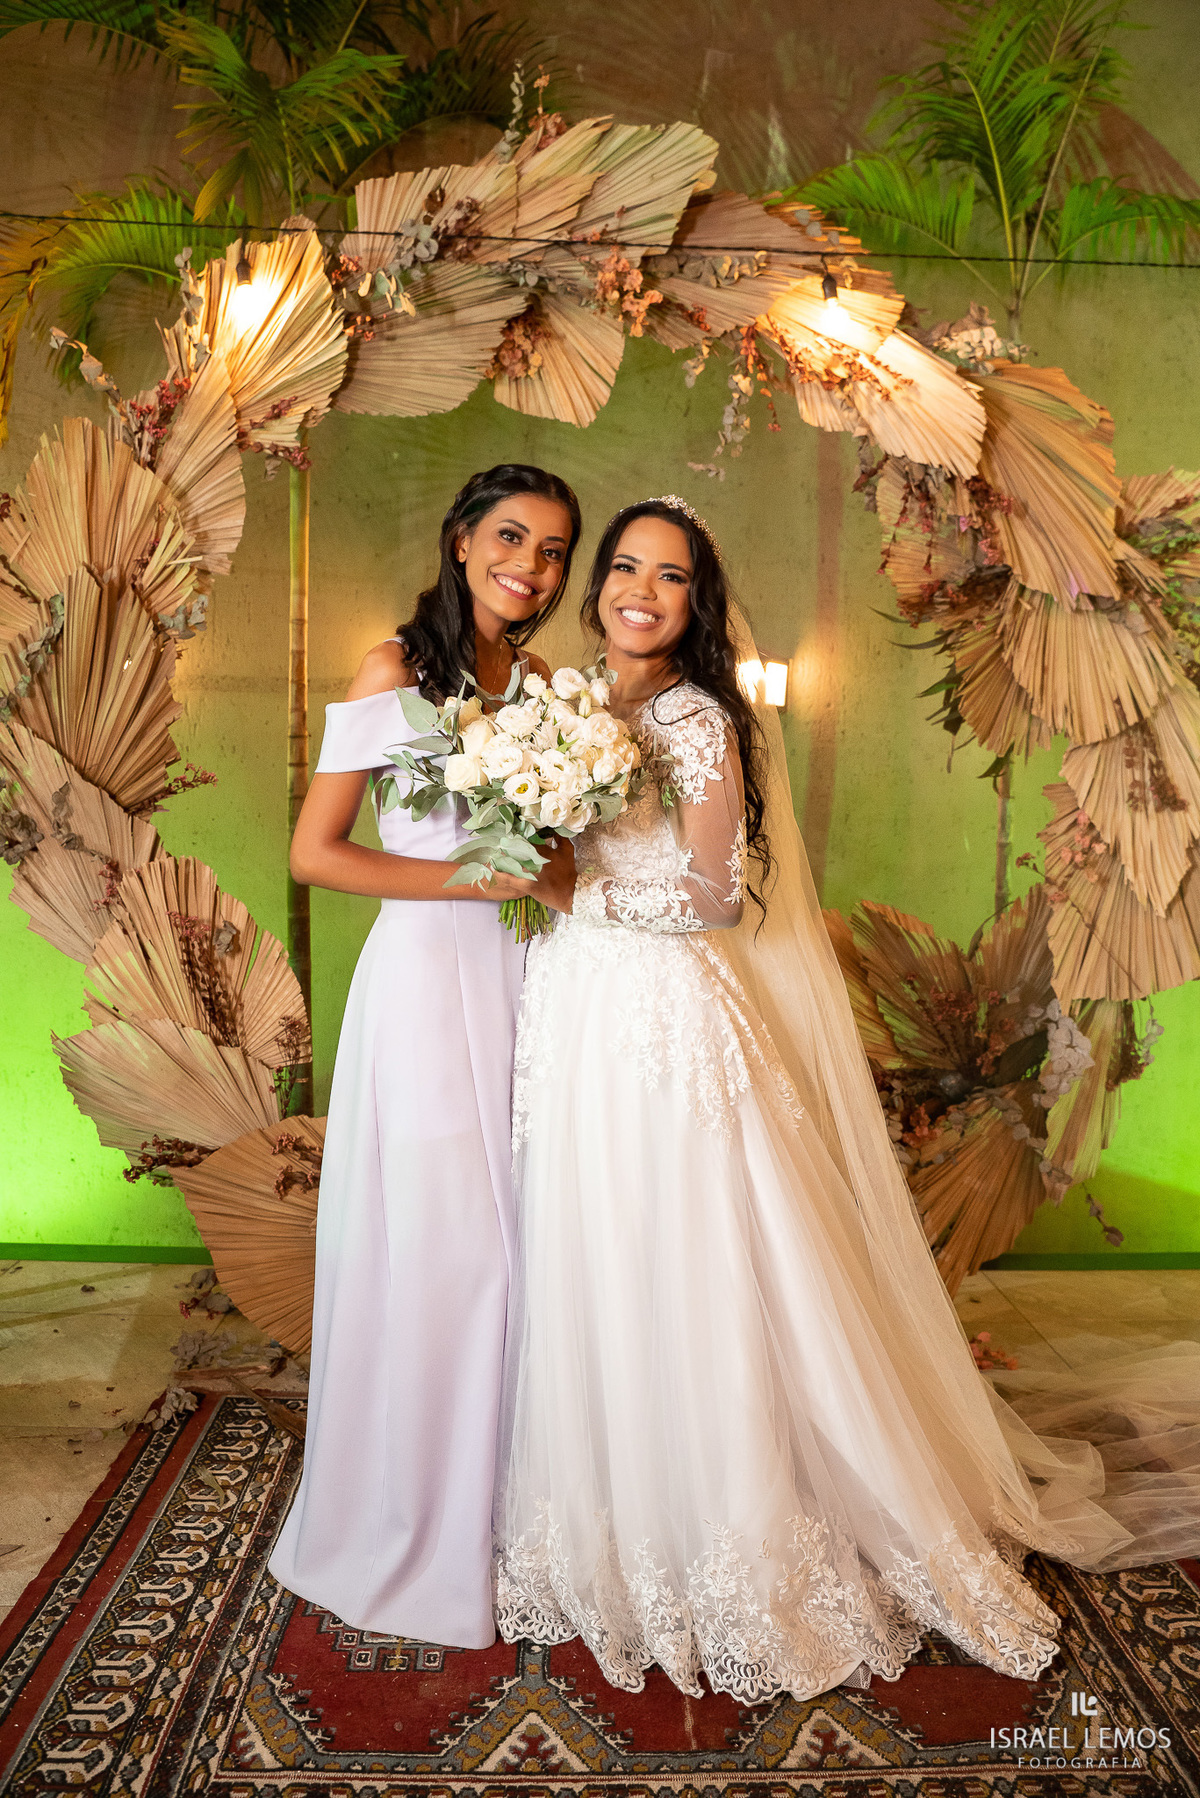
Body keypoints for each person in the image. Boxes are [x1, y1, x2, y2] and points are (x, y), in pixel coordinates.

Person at [492, 495, 1200, 1702]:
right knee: (598, 1251)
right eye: (623, 567)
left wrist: (579, 900)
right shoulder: (565, 703)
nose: (640, 591)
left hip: (666, 1020)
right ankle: (617, 1513)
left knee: (694, 1263)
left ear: (699, 603)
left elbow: (714, 895)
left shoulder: (695, 716)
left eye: (670, 576)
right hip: (578, 1015)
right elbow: (559, 844)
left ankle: (734, 1532)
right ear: (596, 580)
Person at [269, 464, 580, 1650]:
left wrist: (558, 882)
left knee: (528, 1242)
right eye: (512, 538)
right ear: (460, 541)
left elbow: (551, 856)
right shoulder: (393, 672)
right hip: (422, 984)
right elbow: (316, 850)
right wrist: (468, 876)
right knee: (451, 1254)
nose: (533, 568)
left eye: (553, 551)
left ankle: (515, 1508)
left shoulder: (546, 684)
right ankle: (412, 1517)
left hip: (524, 980)